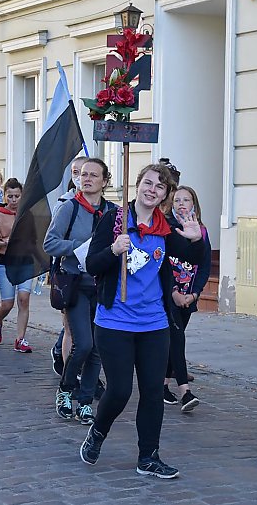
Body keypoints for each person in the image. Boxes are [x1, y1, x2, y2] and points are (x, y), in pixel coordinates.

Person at [80, 163, 204, 479]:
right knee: (120, 391)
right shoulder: (115, 220)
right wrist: (112, 249)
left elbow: (192, 257)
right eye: (147, 183)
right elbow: (93, 264)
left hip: (154, 324)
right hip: (115, 323)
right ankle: (98, 430)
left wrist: (195, 239)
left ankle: (148, 457)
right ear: (138, 185)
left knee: (152, 392)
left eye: (159, 187)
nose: (152, 190)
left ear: (165, 194)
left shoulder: (165, 228)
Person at [45, 157, 114, 426]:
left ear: (105, 181)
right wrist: (78, 246)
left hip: (102, 285)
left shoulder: (112, 212)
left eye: (93, 175)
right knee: (82, 343)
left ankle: (85, 402)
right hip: (75, 283)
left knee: (97, 348)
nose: (86, 179)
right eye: (83, 175)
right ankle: (65, 389)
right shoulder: (69, 208)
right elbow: (50, 243)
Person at [163, 185, 211, 412]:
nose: (181, 204)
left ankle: (162, 385)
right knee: (177, 338)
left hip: (188, 296)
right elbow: (162, 264)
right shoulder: (166, 228)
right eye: (177, 200)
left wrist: (195, 294)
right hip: (168, 295)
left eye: (186, 200)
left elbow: (204, 264)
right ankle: (185, 392)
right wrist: (173, 292)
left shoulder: (201, 230)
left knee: (175, 339)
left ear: (194, 204)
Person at [0, 178, 34, 353]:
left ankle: (20, 339)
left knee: (24, 299)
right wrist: (4, 242)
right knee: (7, 304)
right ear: (5, 196)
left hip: (25, 262)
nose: (14, 200)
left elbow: (35, 237)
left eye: (17, 196)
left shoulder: (27, 214)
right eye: (10, 196)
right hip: (6, 262)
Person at [50, 156, 88, 376]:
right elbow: (52, 240)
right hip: (70, 274)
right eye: (76, 172)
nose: (82, 177)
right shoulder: (66, 204)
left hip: (94, 276)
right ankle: (69, 376)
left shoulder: (105, 207)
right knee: (70, 328)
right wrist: (79, 246)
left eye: (86, 172)